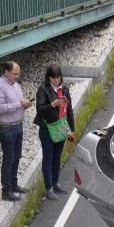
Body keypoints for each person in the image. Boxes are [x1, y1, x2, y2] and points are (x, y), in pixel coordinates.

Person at [0, 61, 32, 201]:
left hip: (18, 125)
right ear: (6, 72)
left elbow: (16, 105)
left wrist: (24, 105)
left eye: (18, 73)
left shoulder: (16, 85)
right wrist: (19, 104)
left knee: (16, 156)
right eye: (15, 73)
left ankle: (14, 185)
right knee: (8, 158)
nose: (17, 76)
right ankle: (6, 190)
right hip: (6, 127)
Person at [34, 63, 75, 200]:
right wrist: (52, 105)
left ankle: (56, 182)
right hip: (48, 129)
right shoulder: (43, 90)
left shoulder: (65, 90)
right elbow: (40, 110)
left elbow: (69, 111)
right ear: (49, 78)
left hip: (61, 127)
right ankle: (48, 187)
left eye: (58, 78)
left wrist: (71, 130)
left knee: (57, 157)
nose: (56, 81)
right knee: (48, 158)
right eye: (53, 78)